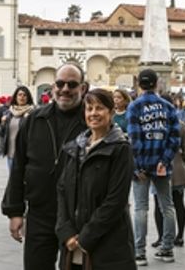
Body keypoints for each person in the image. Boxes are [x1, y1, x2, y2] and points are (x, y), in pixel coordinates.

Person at [2, 63, 88, 269]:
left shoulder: (90, 121)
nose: (65, 89)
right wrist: (14, 211)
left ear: (82, 88)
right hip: (40, 213)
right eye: (60, 83)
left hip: (78, 216)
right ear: (53, 86)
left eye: (72, 84)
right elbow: (18, 168)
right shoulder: (34, 120)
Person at [56, 88, 136, 269]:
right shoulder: (75, 147)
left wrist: (85, 238)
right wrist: (65, 231)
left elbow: (115, 201)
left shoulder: (120, 149)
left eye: (99, 108)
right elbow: (62, 190)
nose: (93, 113)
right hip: (72, 247)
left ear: (111, 112)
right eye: (89, 108)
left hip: (107, 247)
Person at [127, 68, 181, 266]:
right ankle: (167, 249)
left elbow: (135, 140)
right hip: (161, 165)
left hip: (142, 166)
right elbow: (174, 139)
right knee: (167, 207)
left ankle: (139, 253)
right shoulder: (167, 106)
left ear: (139, 84)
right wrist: (164, 161)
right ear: (157, 83)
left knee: (141, 208)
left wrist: (138, 166)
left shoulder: (134, 107)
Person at [152, 115, 185, 248]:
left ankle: (161, 236)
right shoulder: (179, 125)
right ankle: (179, 236)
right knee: (178, 203)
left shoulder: (153, 124)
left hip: (158, 168)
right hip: (177, 168)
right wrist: (182, 160)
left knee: (159, 205)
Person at [0, 85, 36, 171]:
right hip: (11, 154)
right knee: (13, 181)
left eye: (24, 95)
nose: (22, 97)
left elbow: (34, 135)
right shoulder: (9, 113)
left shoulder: (33, 113)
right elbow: (2, 133)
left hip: (25, 155)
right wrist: (3, 123)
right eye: (19, 95)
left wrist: (27, 120)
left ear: (28, 97)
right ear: (15, 97)